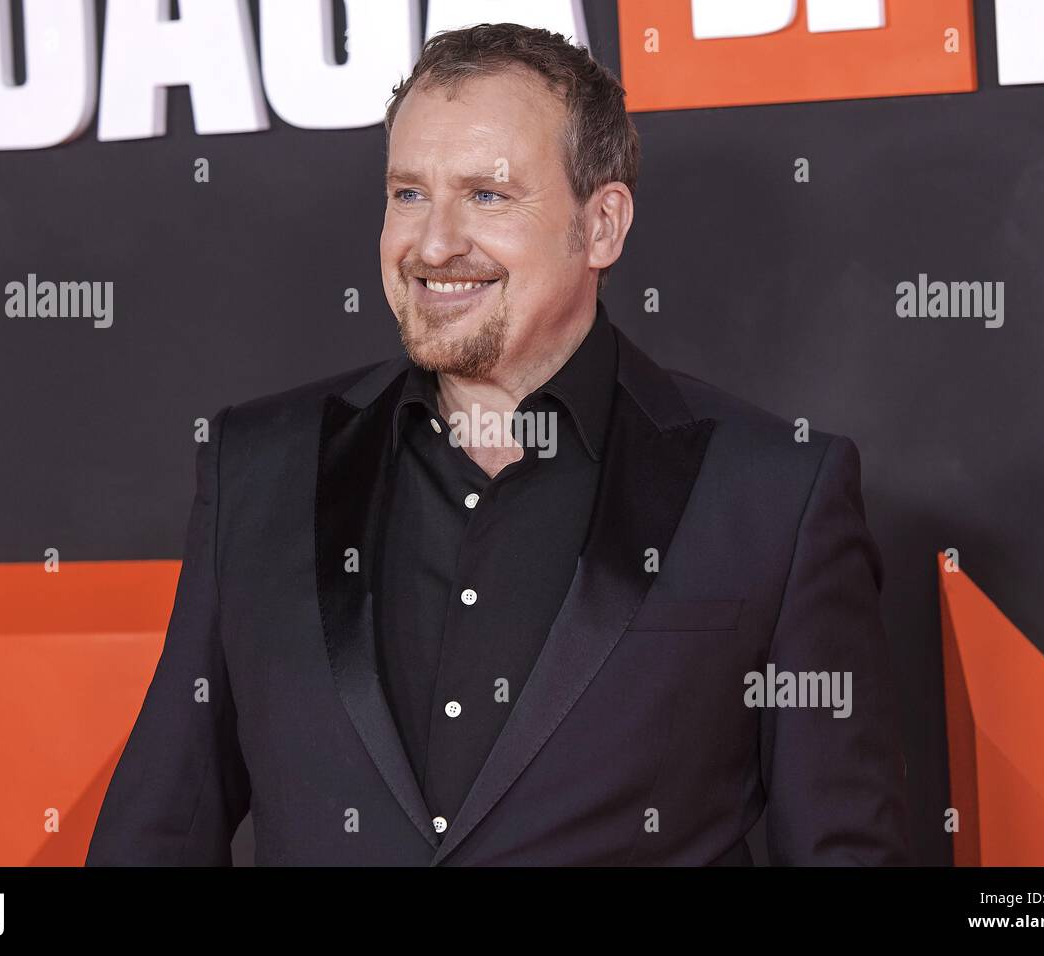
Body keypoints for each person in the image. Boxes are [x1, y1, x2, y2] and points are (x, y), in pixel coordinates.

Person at [86, 22, 911, 866]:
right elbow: (158, 831)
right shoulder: (259, 469)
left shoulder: (772, 496)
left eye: (487, 195)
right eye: (409, 194)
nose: (434, 244)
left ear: (602, 226)